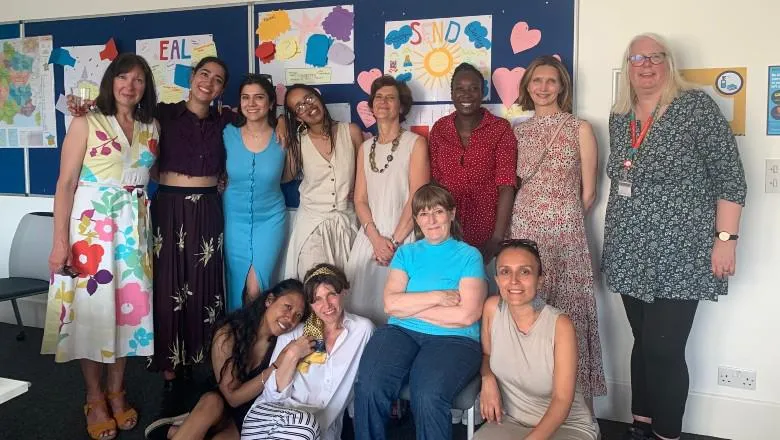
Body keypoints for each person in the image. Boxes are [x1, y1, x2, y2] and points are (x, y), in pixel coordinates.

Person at [602, 33, 747, 440]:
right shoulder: (620, 115)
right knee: (642, 340)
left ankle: (668, 432)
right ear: (628, 66)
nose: (646, 65)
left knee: (664, 348)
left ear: (669, 63)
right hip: (628, 247)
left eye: (655, 57)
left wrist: (725, 239)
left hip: (682, 250)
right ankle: (641, 423)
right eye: (637, 58)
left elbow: (730, 178)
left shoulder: (696, 108)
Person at [42, 53, 159, 440]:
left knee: (127, 315)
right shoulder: (86, 121)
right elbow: (65, 185)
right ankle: (94, 396)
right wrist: (60, 243)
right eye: (122, 77)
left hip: (133, 233)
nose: (130, 85)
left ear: (146, 87)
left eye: (139, 79)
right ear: (110, 81)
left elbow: (150, 173)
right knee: (92, 312)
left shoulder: (151, 125)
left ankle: (117, 390)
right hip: (91, 232)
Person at [353, 183, 487, 440]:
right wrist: (437, 298)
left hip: (455, 340)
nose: (432, 220)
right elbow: (390, 305)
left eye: (438, 211)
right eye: (424, 214)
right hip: (401, 333)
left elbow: (466, 316)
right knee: (369, 386)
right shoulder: (406, 253)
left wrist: (409, 307)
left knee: (427, 393)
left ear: (452, 213)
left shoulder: (469, 256)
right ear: (416, 220)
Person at [508, 55, 606, 400]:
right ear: (527, 87)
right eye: (537, 81)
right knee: (527, 307)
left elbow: (589, 193)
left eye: (551, 81)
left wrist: (559, 216)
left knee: (568, 309)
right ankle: (530, 394)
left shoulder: (580, 128)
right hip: (524, 228)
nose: (544, 88)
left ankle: (574, 399)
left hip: (565, 233)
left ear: (562, 86)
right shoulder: (517, 132)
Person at [148, 56, 235, 412]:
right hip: (168, 207)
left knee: (205, 285)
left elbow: (264, 122)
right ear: (192, 78)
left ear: (222, 89)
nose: (208, 83)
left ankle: (203, 365)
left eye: (217, 79)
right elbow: (116, 115)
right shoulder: (163, 114)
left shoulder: (227, 120)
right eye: (204, 74)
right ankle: (172, 373)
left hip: (208, 209)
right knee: (169, 286)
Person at [144, 279, 308, 440]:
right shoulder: (228, 333)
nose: (290, 319)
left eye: (298, 315)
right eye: (287, 307)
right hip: (217, 401)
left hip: (244, 416)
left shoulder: (282, 341)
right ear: (269, 300)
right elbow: (233, 398)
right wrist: (275, 367)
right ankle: (181, 426)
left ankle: (171, 432)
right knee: (213, 403)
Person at [476, 239, 598, 440]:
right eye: (505, 272)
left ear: (540, 280)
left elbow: (562, 400)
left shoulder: (560, 325)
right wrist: (487, 378)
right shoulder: (492, 308)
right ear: (497, 279)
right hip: (511, 420)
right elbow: (487, 354)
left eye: (524, 272)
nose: (514, 281)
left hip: (566, 425)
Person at [242, 263, 374, 440]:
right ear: (311, 304)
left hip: (321, 431)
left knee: (309, 429)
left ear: (344, 291)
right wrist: (293, 354)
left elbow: (361, 381)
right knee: (307, 427)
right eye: (317, 299)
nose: (326, 305)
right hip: (268, 422)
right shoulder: (295, 331)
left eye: (331, 295)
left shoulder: (362, 330)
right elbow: (272, 394)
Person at [345, 75, 430, 325]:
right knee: (359, 309)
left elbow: (418, 196)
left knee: (397, 311)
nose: (383, 102)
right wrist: (375, 239)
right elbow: (359, 199)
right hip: (369, 239)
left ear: (402, 107)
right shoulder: (364, 147)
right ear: (371, 106)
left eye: (390, 97)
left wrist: (392, 243)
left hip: (403, 238)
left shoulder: (416, 143)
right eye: (378, 98)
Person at [428, 62, 517, 261]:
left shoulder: (500, 129)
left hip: (486, 232)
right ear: (451, 94)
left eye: (473, 88)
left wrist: (496, 239)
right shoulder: (440, 129)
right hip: (446, 232)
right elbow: (434, 183)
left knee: (484, 289)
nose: (466, 94)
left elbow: (506, 186)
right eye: (460, 89)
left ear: (483, 92)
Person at [223, 74, 295, 312]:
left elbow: (287, 176)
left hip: (271, 219)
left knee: (256, 290)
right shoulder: (227, 134)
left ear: (271, 102)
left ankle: (259, 344)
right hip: (233, 220)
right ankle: (236, 343)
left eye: (259, 97)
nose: (251, 104)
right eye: (245, 97)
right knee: (236, 288)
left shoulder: (283, 136)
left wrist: (284, 119)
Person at [281, 85, 363, 279]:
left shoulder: (350, 131)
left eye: (308, 99)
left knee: (347, 290)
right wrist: (280, 122)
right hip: (312, 225)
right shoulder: (299, 142)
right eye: (299, 107)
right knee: (315, 287)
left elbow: (364, 175)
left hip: (347, 224)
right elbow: (285, 176)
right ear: (297, 117)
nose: (307, 107)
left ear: (317, 97)